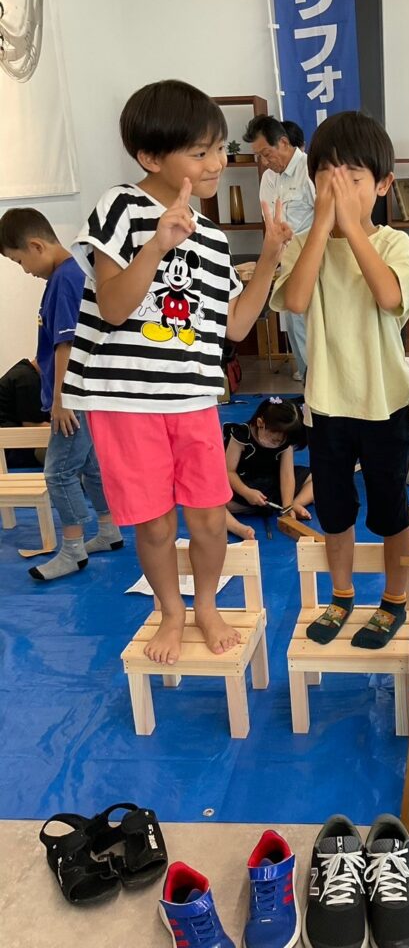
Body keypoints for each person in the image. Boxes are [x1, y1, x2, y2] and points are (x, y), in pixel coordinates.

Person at [61, 79, 292, 665]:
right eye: (200, 152)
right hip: (126, 401)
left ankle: (206, 605)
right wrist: (158, 245)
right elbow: (113, 306)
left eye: (218, 149)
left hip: (191, 399)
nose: (216, 163)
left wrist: (269, 257)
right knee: (156, 525)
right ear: (150, 157)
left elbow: (237, 324)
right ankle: (171, 611)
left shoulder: (212, 238)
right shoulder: (120, 207)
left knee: (210, 519)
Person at [271, 111, 409, 650]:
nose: (338, 190)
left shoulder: (394, 243)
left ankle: (395, 598)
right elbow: (294, 300)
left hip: (385, 403)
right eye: (326, 178)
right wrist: (321, 228)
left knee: (390, 509)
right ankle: (341, 594)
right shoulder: (304, 244)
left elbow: (389, 296)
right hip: (328, 404)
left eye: (353, 178)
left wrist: (351, 227)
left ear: (381, 185)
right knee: (334, 510)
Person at [0, 208, 122, 579]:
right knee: (90, 466)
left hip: (74, 396)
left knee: (57, 472)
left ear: (37, 246)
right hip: (83, 393)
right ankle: (109, 530)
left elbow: (67, 344)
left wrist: (60, 400)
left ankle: (72, 549)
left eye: (19, 261)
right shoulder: (67, 276)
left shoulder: (67, 278)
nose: (24, 270)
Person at [243, 114, 315, 382]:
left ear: (283, 142)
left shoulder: (310, 169)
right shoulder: (270, 178)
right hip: (287, 261)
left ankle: (319, 381)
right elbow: (270, 222)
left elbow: (326, 219)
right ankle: (308, 379)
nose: (264, 161)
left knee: (315, 322)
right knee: (295, 322)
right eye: (259, 156)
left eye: (266, 154)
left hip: (313, 259)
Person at [224, 396, 313, 521]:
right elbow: (229, 471)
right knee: (221, 503)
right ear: (260, 423)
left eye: (282, 442)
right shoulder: (241, 436)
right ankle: (263, 506)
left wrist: (287, 506)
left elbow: (287, 475)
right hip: (246, 483)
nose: (278, 444)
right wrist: (246, 492)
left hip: (274, 480)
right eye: (274, 440)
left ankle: (295, 504)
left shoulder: (285, 441)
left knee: (317, 479)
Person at [0, 357, 49, 467]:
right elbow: (32, 425)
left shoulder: (24, 372)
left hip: (9, 444)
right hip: (10, 450)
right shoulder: (28, 380)